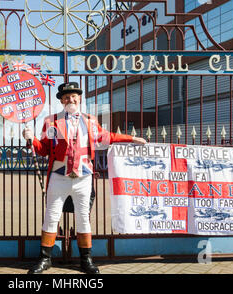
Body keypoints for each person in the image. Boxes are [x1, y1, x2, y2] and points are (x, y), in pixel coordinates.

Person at [22, 82, 146, 274]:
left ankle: (86, 260)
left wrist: (131, 138)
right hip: (58, 176)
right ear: (62, 101)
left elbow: (107, 137)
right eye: (66, 97)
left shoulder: (90, 120)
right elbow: (44, 149)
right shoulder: (51, 121)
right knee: (51, 217)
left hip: (83, 177)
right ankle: (45, 259)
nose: (70, 99)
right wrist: (31, 139)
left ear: (79, 99)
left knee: (83, 219)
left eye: (73, 96)